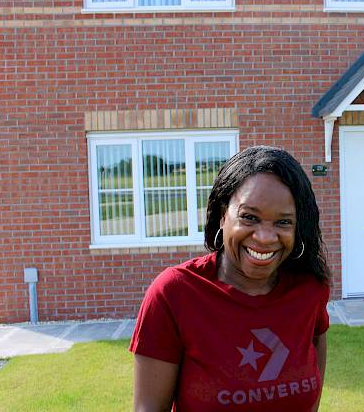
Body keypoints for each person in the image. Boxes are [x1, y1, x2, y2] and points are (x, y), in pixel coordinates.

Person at [130, 146, 331, 412]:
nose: (265, 237)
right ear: (223, 214)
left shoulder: (308, 290)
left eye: (283, 222)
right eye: (249, 217)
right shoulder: (174, 293)